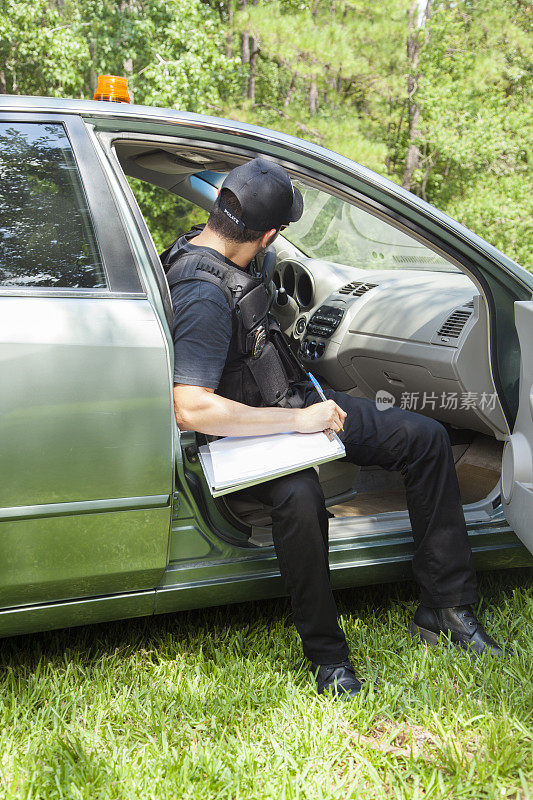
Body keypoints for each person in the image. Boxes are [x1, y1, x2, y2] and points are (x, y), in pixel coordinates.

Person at [162, 158, 511, 701]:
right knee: (299, 498)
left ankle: (445, 606)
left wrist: (307, 411)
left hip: (297, 405)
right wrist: (300, 422)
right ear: (271, 231)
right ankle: (329, 659)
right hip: (253, 438)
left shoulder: (201, 248)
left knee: (424, 438)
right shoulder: (204, 292)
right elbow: (191, 408)